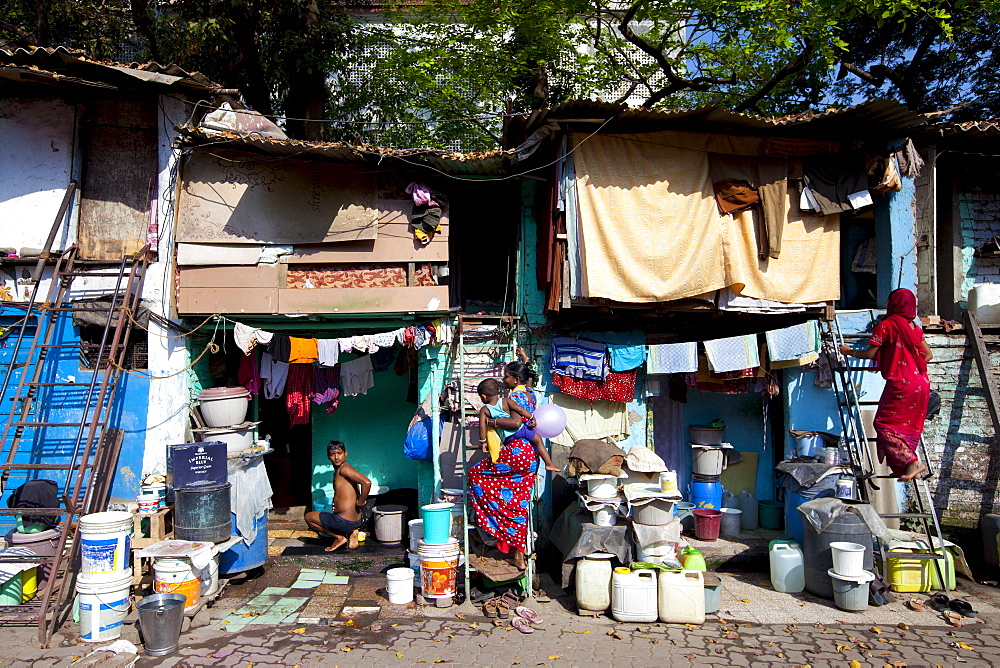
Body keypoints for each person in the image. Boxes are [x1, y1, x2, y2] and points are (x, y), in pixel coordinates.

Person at [840, 288, 932, 482]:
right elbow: (929, 355)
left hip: (902, 384)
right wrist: (911, 363)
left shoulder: (886, 326)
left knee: (883, 424)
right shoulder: (914, 327)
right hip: (921, 383)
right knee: (907, 425)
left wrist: (848, 351)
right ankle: (902, 468)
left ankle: (911, 462)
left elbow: (869, 354)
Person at [468, 361, 539, 569]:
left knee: (476, 475)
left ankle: (496, 525)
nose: (503, 380)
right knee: (518, 505)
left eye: (506, 376)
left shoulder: (513, 397)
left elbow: (516, 423)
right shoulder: (528, 393)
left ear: (515, 380)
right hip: (529, 454)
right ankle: (519, 555)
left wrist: (489, 422)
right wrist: (524, 359)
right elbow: (529, 378)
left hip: (516, 451)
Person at [477, 378, 560, 472]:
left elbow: (482, 426)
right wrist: (531, 417)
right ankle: (549, 464)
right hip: (521, 430)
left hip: (507, 437)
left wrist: (483, 442)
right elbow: (520, 410)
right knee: (538, 440)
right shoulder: (506, 401)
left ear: (483, 396)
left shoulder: (484, 410)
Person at [304, 441, 371, 551]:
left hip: (344, 522)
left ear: (346, 453)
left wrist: (360, 501)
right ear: (328, 457)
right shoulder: (343, 469)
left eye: (339, 453)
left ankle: (339, 537)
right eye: (332, 454)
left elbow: (366, 483)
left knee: (309, 517)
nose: (336, 457)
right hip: (356, 521)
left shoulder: (344, 469)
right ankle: (353, 531)